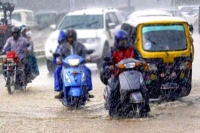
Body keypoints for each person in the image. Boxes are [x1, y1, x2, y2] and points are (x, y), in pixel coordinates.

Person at [100, 29, 150, 116]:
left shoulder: (132, 49)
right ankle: (113, 112)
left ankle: (146, 108)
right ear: (117, 41)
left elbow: (140, 58)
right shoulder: (112, 51)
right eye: (121, 40)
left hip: (134, 73)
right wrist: (110, 66)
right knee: (114, 90)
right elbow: (105, 64)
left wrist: (142, 62)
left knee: (144, 88)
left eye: (124, 40)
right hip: (118, 75)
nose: (123, 42)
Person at [54, 28, 94, 99]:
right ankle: (60, 90)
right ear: (66, 38)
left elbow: (85, 53)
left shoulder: (80, 45)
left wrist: (88, 58)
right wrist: (58, 60)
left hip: (79, 66)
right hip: (66, 66)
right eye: (69, 37)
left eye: (72, 37)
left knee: (87, 71)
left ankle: (87, 89)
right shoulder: (62, 47)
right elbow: (58, 55)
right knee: (57, 71)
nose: (70, 39)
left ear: (75, 37)